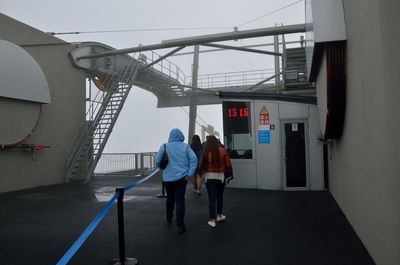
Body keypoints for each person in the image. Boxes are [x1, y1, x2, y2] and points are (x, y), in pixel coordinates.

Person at [155, 128, 198, 234]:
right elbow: (194, 159)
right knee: (179, 200)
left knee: (169, 198)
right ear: (180, 136)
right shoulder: (185, 146)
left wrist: (162, 170)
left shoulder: (164, 146)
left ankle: (169, 217)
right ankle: (180, 225)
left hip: (167, 178)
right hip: (182, 178)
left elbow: (157, 161)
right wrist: (190, 174)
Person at [199, 135, 232, 228]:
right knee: (220, 197)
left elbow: (201, 166)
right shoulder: (222, 151)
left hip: (209, 178)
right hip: (220, 177)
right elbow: (228, 164)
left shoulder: (205, 152)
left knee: (211, 199)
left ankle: (212, 220)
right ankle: (219, 216)